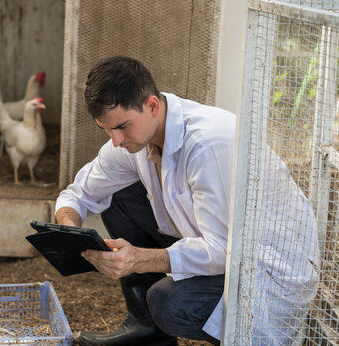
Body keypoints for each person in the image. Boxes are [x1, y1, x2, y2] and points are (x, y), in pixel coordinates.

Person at [55, 56, 319, 346]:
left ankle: (239, 335)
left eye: (121, 127)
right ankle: (147, 332)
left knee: (169, 303)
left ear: (152, 105)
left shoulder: (207, 144)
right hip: (218, 241)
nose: (115, 140)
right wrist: (70, 231)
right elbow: (80, 193)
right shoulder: (135, 137)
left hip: (263, 267)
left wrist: (139, 259)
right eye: (106, 130)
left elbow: (222, 250)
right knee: (118, 195)